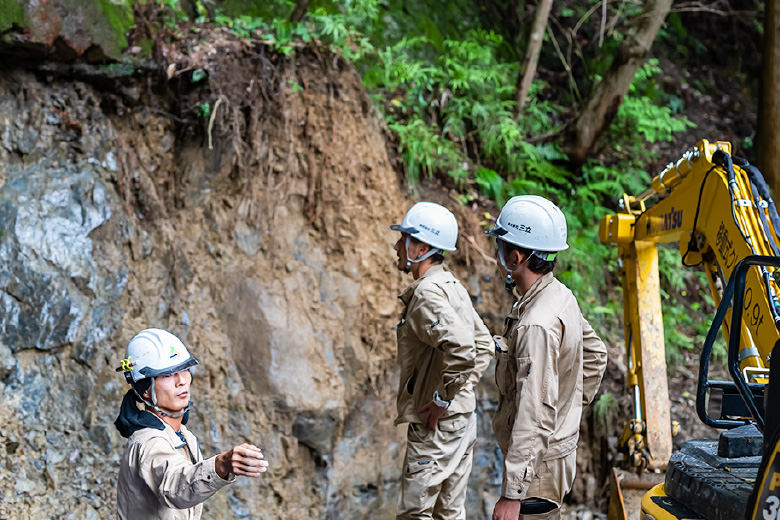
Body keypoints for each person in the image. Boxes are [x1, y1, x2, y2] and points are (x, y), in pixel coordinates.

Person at [484, 196, 608, 520]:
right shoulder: (559, 295)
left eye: (500, 249)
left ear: (515, 256)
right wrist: (567, 413)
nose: (496, 258)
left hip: (536, 472)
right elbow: (596, 355)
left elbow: (534, 413)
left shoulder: (535, 325)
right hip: (551, 460)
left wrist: (512, 495)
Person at [391, 201, 493, 520]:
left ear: (421, 247)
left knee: (416, 513)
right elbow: (484, 343)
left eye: (404, 239)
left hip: (436, 425)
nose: (397, 246)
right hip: (462, 422)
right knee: (448, 512)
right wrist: (460, 394)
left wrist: (442, 399)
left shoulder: (427, 295)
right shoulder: (451, 285)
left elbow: (464, 348)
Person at [114, 328, 269, 519]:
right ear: (145, 389)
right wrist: (221, 465)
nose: (181, 381)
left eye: (184, 370)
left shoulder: (183, 436)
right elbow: (174, 487)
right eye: (167, 375)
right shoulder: (148, 441)